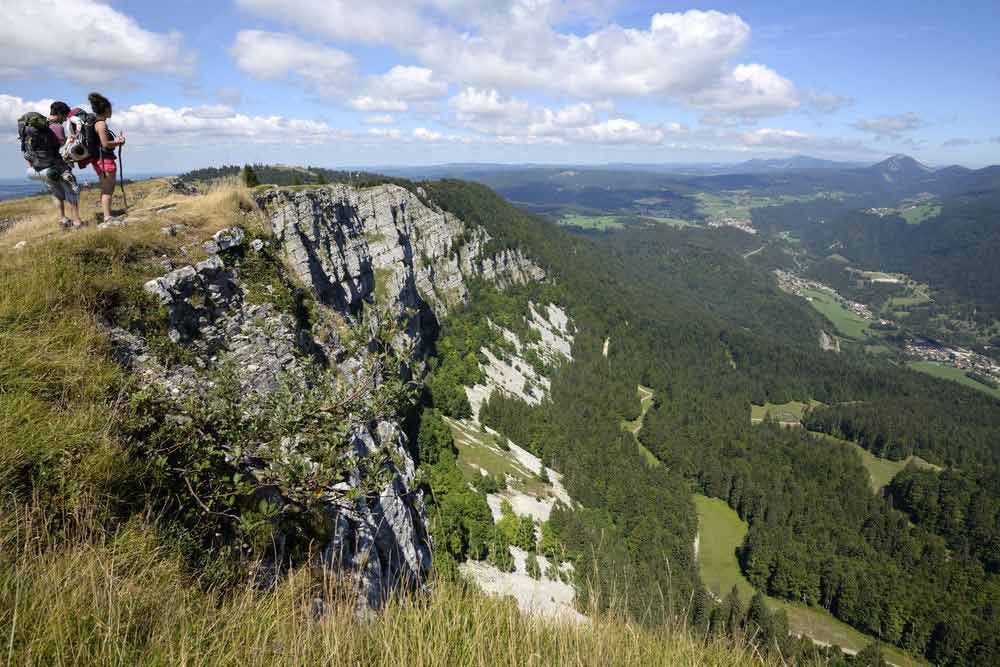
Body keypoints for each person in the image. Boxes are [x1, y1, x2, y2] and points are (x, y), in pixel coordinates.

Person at [23, 101, 83, 229]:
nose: (65, 119)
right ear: (60, 114)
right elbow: (62, 148)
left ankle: (63, 220)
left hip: (41, 166)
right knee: (71, 192)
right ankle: (77, 221)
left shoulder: (40, 125)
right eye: (64, 116)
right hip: (57, 166)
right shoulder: (57, 127)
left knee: (56, 194)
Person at [86, 92, 126, 223]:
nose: (112, 111)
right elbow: (105, 143)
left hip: (99, 160)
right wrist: (119, 142)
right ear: (106, 109)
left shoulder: (97, 123)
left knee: (106, 189)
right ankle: (108, 217)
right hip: (105, 160)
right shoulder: (101, 124)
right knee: (108, 189)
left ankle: (107, 214)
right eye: (110, 108)